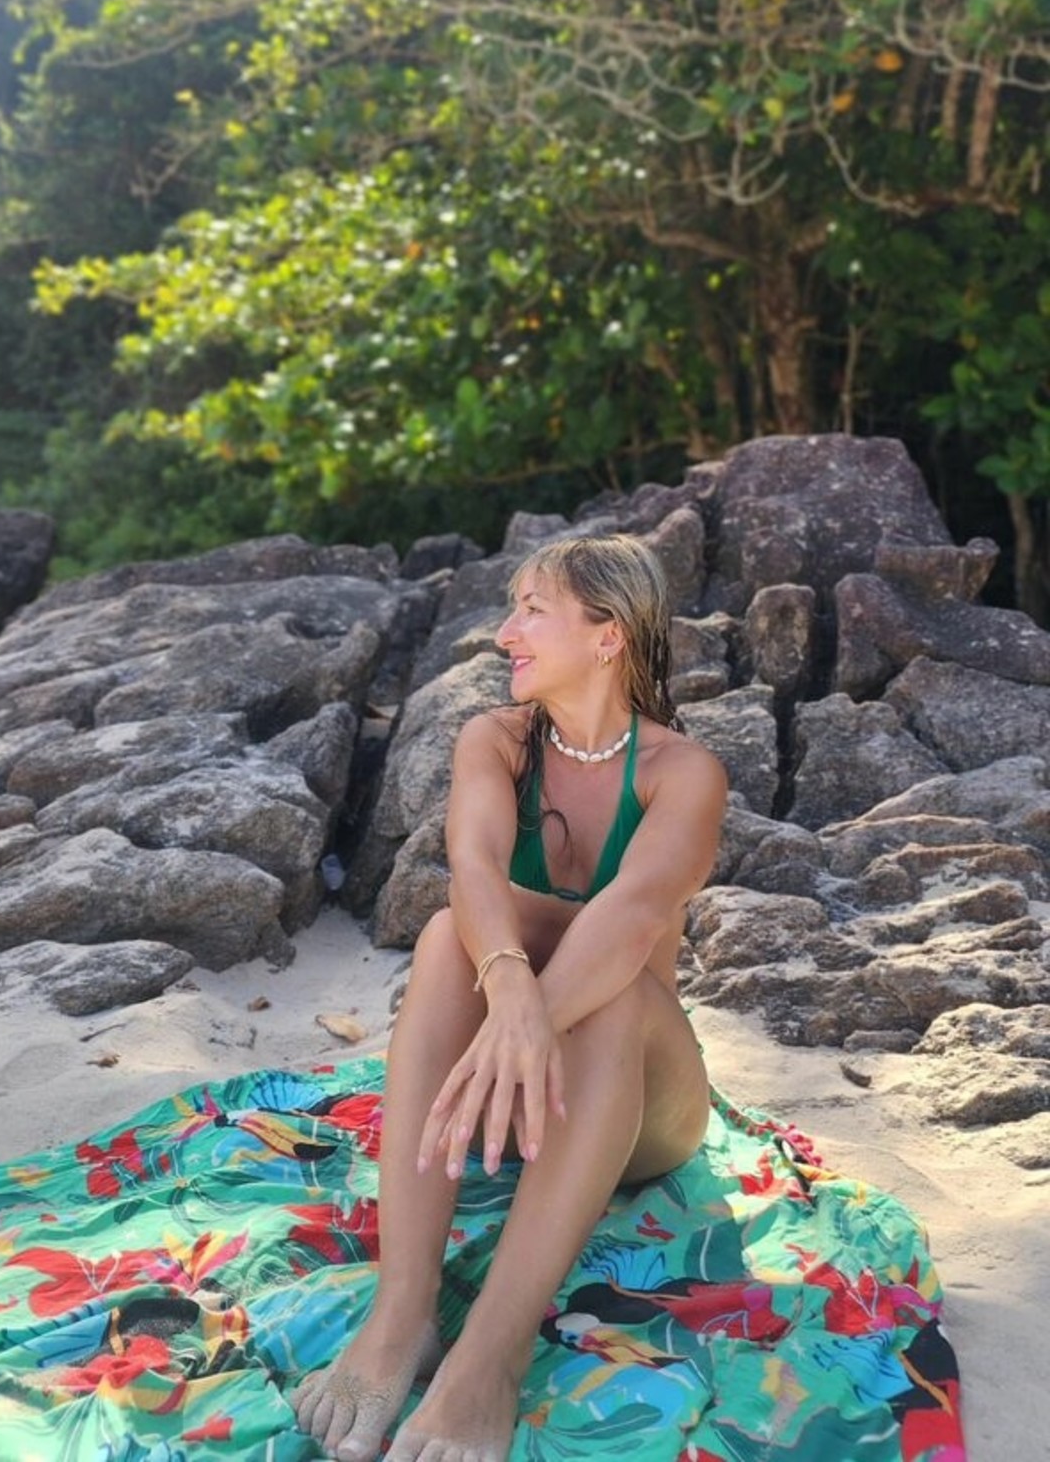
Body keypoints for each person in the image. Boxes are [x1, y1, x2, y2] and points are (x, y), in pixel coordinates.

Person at [292, 533, 728, 1462]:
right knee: (450, 935)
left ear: (608, 634)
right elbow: (474, 870)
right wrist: (511, 1003)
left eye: (531, 609)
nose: (504, 633)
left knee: (611, 985)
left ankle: (490, 1357)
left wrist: (524, 1020)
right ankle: (404, 1310)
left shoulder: (681, 772)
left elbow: (633, 917)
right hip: (522, 1086)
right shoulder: (494, 740)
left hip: (644, 1108)